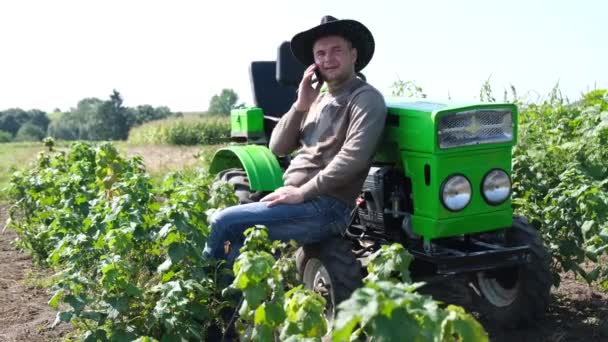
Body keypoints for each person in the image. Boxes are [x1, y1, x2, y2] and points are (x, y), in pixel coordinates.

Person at [204, 15, 386, 263]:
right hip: (302, 199)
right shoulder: (317, 99)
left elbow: (353, 157)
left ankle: (214, 297)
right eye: (320, 53)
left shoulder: (364, 98)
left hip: (326, 206)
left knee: (223, 222)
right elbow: (277, 147)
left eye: (336, 51)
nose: (328, 59)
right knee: (233, 238)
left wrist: (301, 193)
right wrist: (300, 105)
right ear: (314, 63)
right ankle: (236, 295)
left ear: (353, 55)